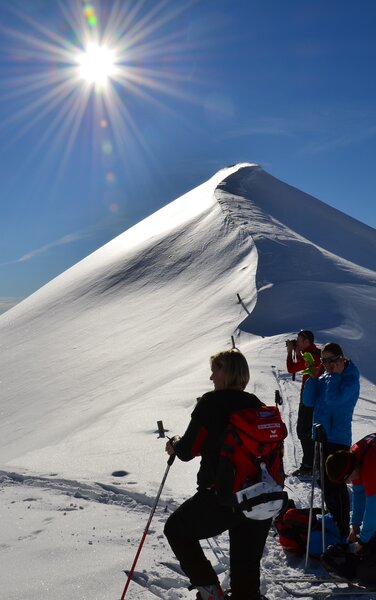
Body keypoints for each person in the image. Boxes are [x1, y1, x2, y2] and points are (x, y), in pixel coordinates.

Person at [164, 350, 271, 600]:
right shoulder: (255, 403)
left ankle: (210, 591)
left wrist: (175, 444)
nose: (211, 377)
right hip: (258, 497)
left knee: (177, 530)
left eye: (215, 370)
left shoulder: (210, 403)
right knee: (246, 582)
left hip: (221, 497)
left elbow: (188, 450)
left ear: (227, 372)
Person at [302, 342, 360, 540]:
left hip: (338, 438)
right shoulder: (326, 377)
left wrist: (334, 375)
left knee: (335, 483)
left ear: (341, 358)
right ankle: (332, 519)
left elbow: (335, 400)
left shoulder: (350, 378)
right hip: (321, 436)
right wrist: (312, 378)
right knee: (323, 482)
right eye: (323, 360)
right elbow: (308, 401)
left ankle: (342, 527)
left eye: (331, 360)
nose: (327, 365)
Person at [323, 433, 376, 584]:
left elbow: (373, 507)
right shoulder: (353, 457)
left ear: (349, 470)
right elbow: (359, 494)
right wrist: (355, 526)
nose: (348, 483)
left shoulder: (371, 467)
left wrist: (363, 541)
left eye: (346, 479)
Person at [286, 329, 322, 476]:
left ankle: (308, 466)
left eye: (299, 340)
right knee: (308, 429)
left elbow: (292, 368)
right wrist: (297, 351)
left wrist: (290, 352)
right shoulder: (316, 353)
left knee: (303, 429)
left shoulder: (311, 355)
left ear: (306, 342)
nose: (297, 342)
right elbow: (301, 365)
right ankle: (314, 464)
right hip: (313, 395)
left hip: (309, 396)